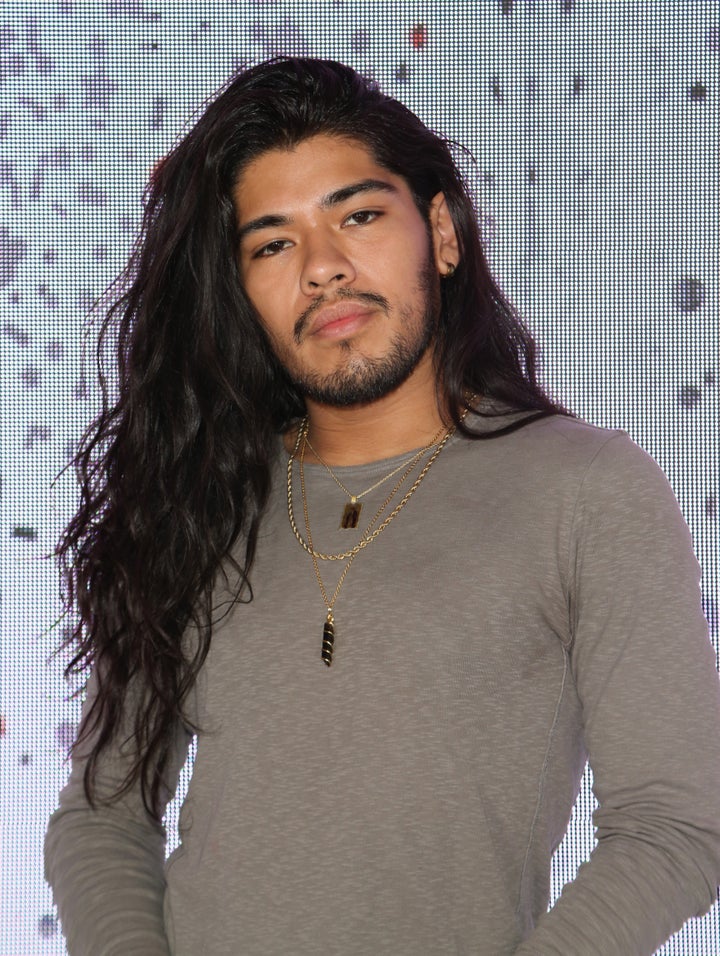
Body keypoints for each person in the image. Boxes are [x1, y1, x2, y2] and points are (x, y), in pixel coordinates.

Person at [45, 56, 720, 956]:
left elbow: (678, 824)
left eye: (358, 216)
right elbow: (101, 817)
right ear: (240, 293)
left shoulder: (588, 491)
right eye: (272, 243)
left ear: (439, 232)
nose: (322, 268)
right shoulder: (193, 505)